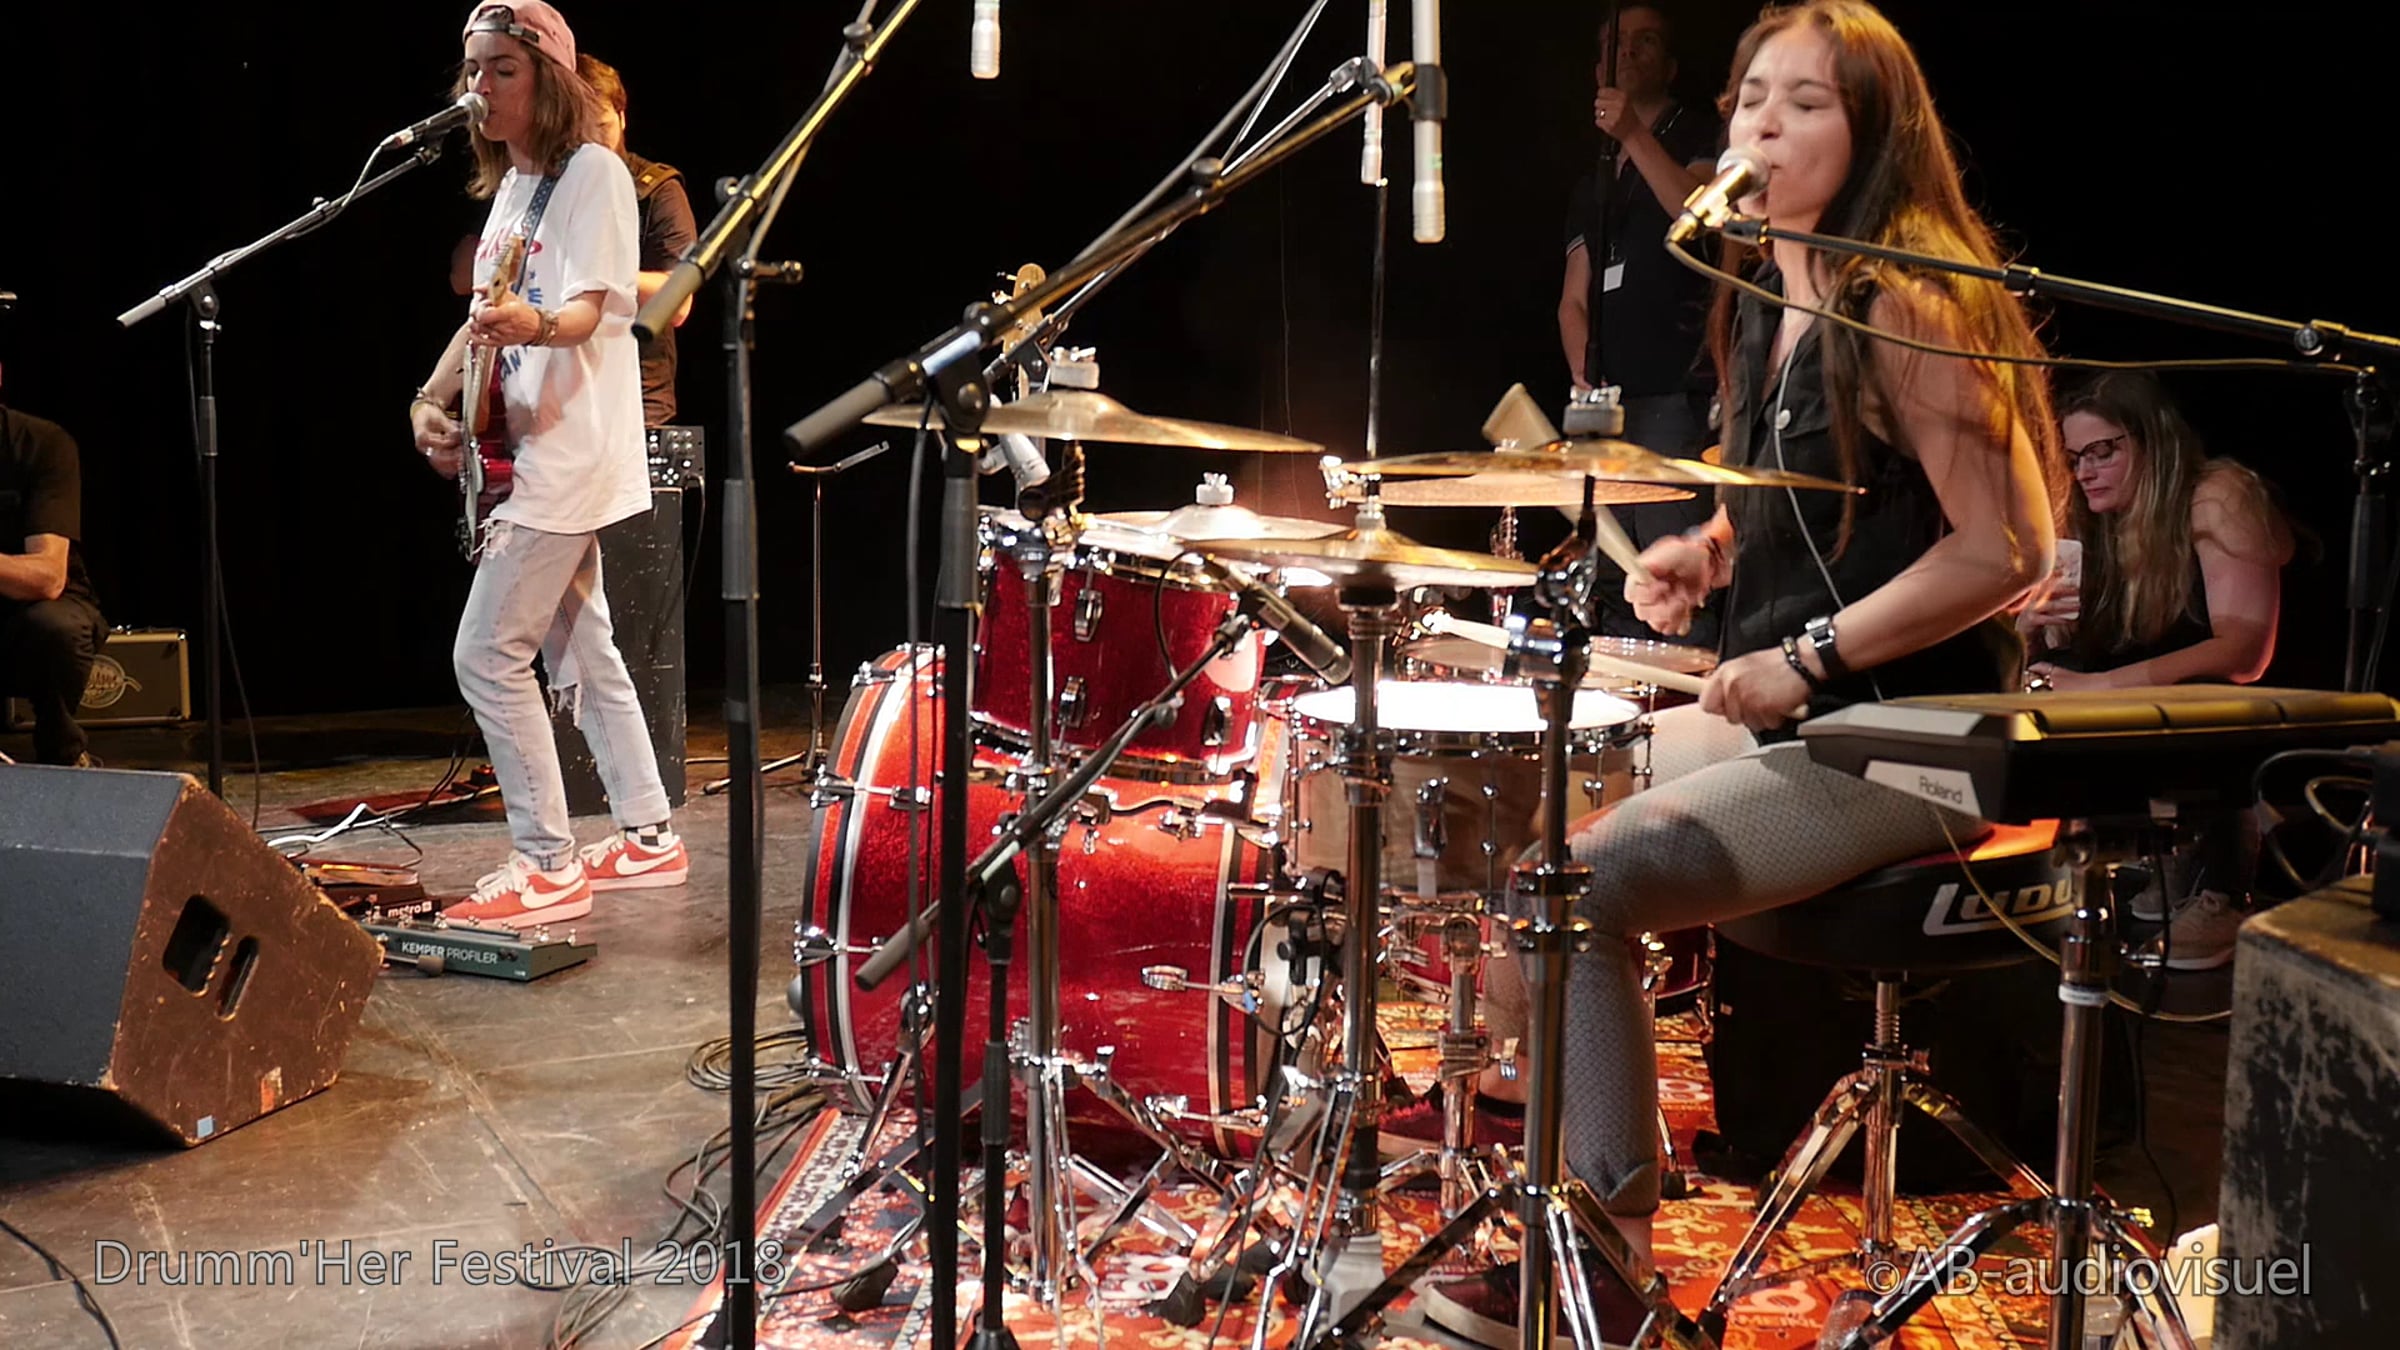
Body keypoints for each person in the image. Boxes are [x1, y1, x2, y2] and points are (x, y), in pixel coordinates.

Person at [1419, 3, 2062, 1344]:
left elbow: (2009, 545)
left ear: (1876, 132)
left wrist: (1810, 654)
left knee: (1583, 880)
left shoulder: (1909, 299)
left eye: (1805, 103)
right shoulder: (1768, 297)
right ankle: (1565, 1157)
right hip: (1811, 717)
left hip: (1914, 737)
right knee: (1526, 813)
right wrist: (1706, 554)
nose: (1762, 124)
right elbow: (1801, 495)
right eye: (1750, 98)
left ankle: (1607, 1259)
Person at [407, 1, 688, 926]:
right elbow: (482, 314)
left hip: (566, 456)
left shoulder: (593, 172)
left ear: (551, 82)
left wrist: (533, 325)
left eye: (503, 70)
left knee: (488, 654)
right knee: (579, 645)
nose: (479, 89)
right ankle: (648, 834)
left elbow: (592, 310)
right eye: (473, 70)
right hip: (524, 446)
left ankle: (546, 863)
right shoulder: (517, 186)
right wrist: (430, 399)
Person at [2020, 370, 2295, 968]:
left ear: (2154, 443)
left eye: (2103, 452)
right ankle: (2153, 852)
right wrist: (2030, 630)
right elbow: (2083, 647)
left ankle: (2225, 891)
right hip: (2148, 693)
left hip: (2227, 705)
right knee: (2045, 675)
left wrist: (2098, 688)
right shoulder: (2096, 519)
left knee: (2207, 693)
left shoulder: (2217, 495)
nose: (2084, 472)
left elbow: (2244, 652)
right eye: (2075, 458)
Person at [1561, 2, 1725, 649]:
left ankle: (1686, 701)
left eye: (1644, 41)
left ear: (1671, 63)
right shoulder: (1594, 179)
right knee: (1609, 578)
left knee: (1669, 578)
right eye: (1615, 43)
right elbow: (1573, 298)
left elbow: (1697, 214)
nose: (1627, 53)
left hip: (1674, 393)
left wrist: (1633, 132)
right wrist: (1584, 378)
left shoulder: (1701, 135)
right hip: (1608, 405)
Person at [576, 54, 696, 427]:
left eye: (602, 126)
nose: (594, 142)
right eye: (581, 130)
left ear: (622, 117)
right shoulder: (552, 187)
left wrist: (593, 272)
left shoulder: (658, 190)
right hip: (565, 396)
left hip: (636, 398)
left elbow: (679, 302)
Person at [0, 371, 108, 768]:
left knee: (55, 628)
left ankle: (62, 755)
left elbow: (47, 577)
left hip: (29, 612)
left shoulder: (42, 443)